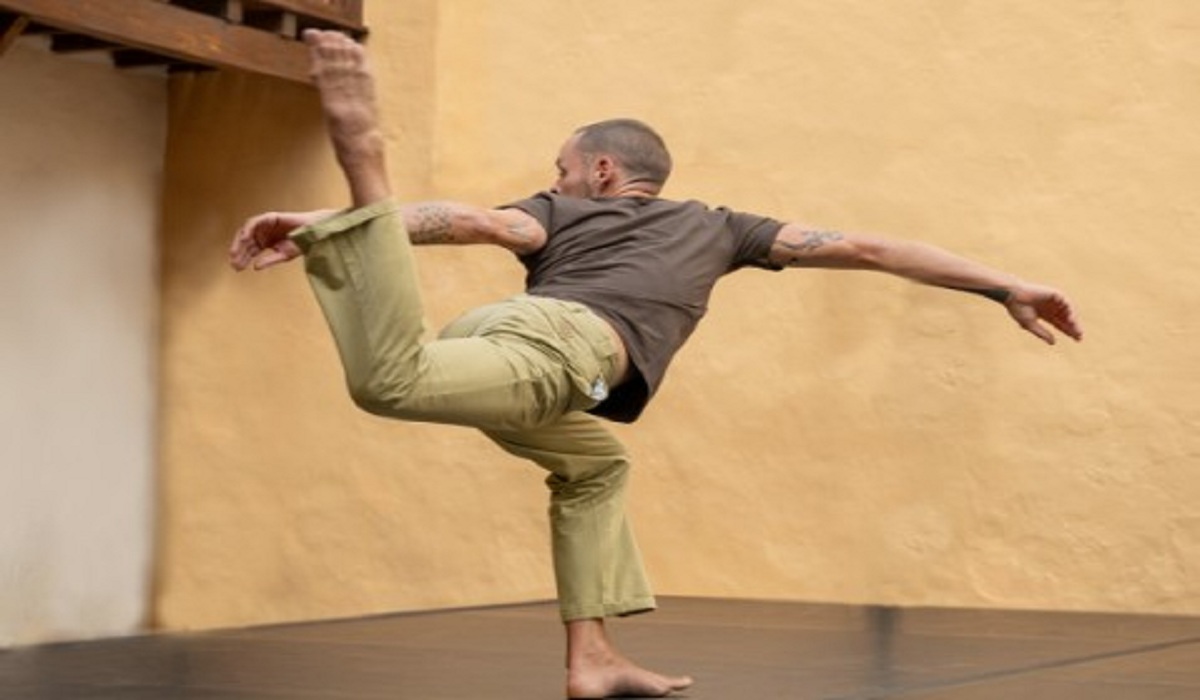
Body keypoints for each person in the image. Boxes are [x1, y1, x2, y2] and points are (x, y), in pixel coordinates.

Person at [229, 30, 1083, 699]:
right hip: (561, 347)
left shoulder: (561, 212)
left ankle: (592, 658)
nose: (554, 180)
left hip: (508, 338)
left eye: (562, 168)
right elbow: (871, 246)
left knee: (597, 463)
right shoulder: (723, 228)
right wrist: (1006, 284)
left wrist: (309, 226)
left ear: (602, 170)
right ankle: (362, 150)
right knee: (391, 383)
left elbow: (468, 220)